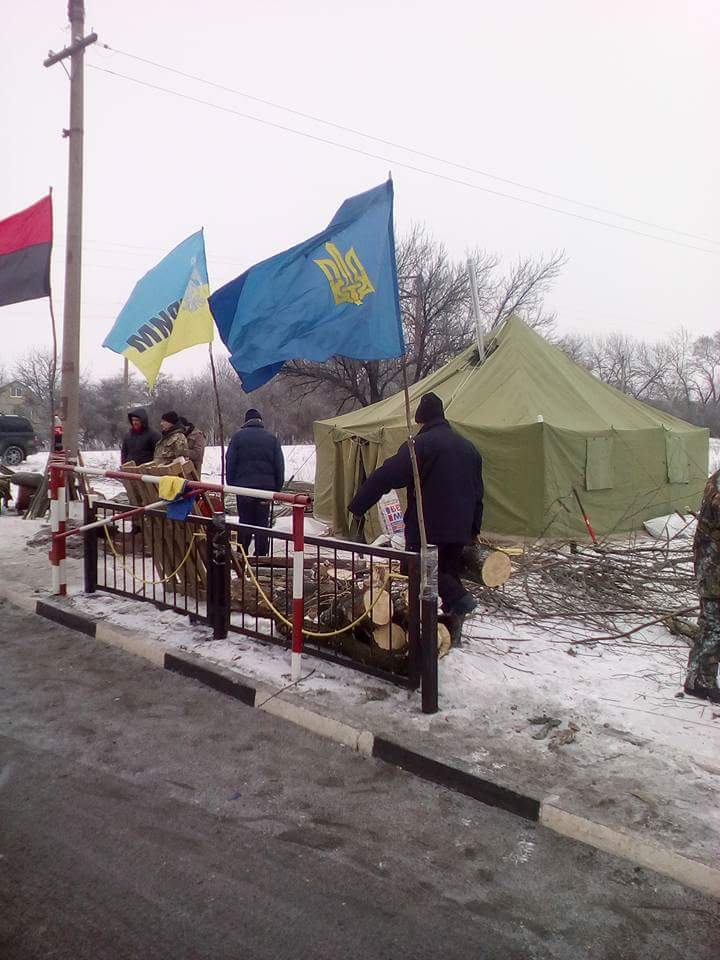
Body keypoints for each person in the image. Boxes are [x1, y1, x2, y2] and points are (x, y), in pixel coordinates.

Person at [349, 391, 484, 635]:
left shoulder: (419, 446)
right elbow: (478, 494)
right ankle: (450, 631)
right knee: (445, 573)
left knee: (418, 572)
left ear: (421, 420)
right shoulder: (469, 448)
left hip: (428, 527)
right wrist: (473, 529)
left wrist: (359, 505)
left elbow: (386, 476)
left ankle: (451, 606)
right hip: (460, 527)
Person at [225, 408, 285, 556]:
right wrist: (276, 489)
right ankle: (261, 557)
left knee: (245, 521)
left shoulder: (237, 438)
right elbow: (279, 465)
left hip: (244, 489)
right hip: (265, 490)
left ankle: (241, 555)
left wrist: (232, 483)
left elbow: (230, 461)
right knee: (262, 525)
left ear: (246, 422)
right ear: (261, 421)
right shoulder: (272, 439)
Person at [684, 469, 720, 703]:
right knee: (713, 626)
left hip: (713, 565)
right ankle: (699, 682)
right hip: (713, 568)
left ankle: (700, 680)